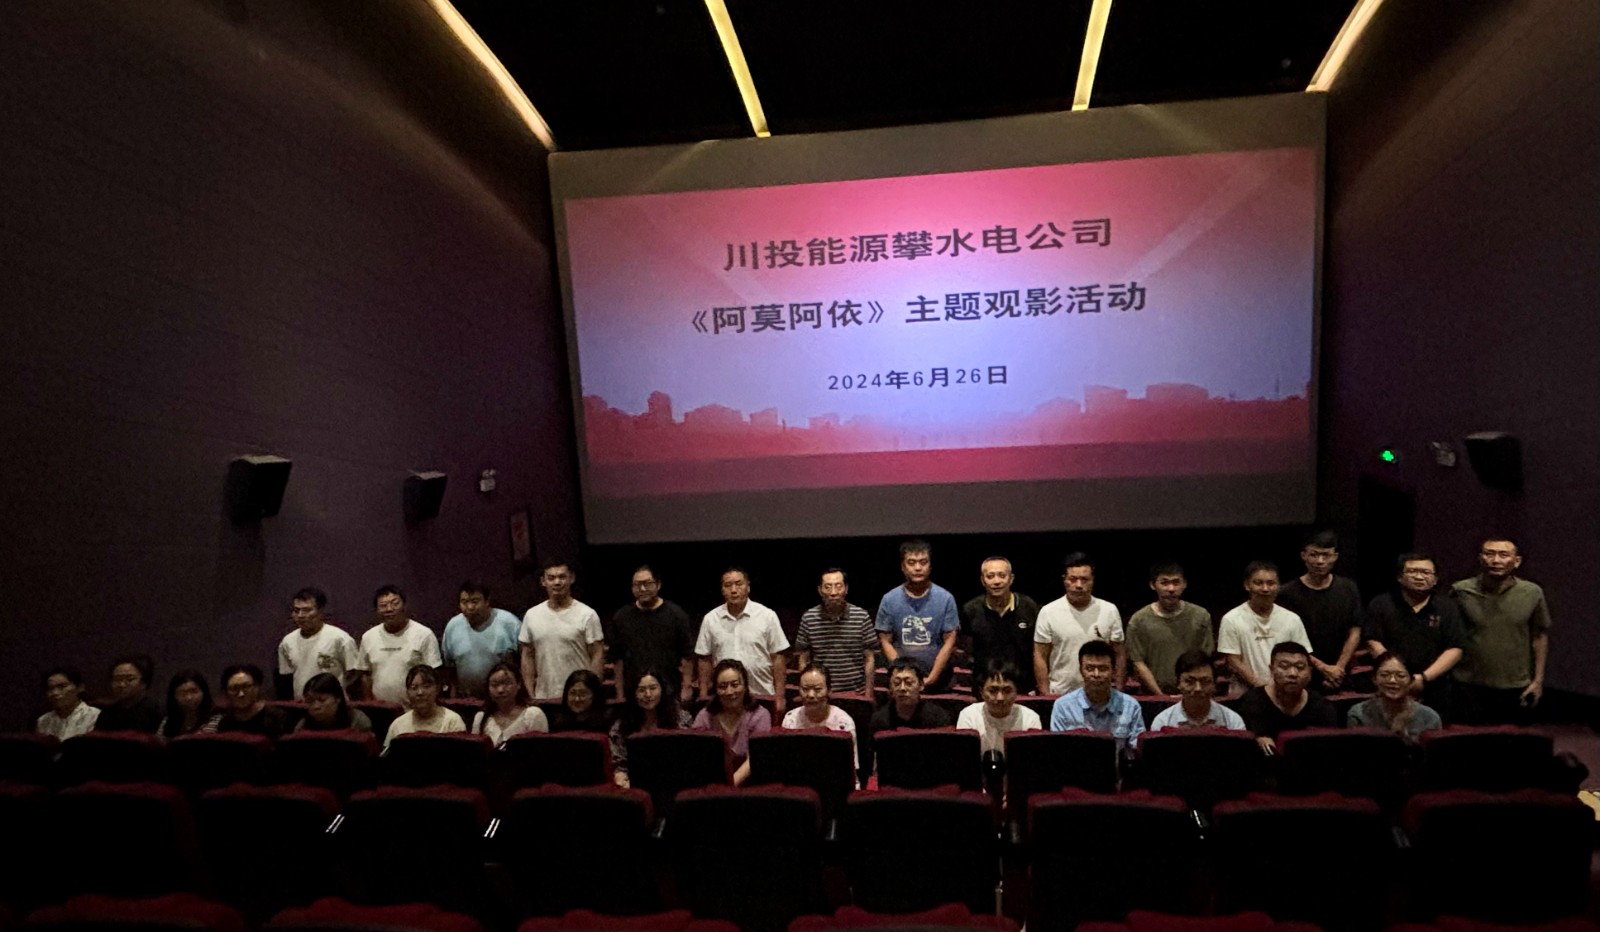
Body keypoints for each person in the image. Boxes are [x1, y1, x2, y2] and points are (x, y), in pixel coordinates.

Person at [1451, 537, 1551, 725]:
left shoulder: (1532, 592)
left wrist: (1538, 681)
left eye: (1503, 555)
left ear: (1516, 561)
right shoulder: (1461, 591)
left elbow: (1539, 636)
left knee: (1510, 739)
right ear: (1480, 558)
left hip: (1516, 684)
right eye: (1490, 554)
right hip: (1469, 683)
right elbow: (1449, 636)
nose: (1496, 560)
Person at [1362, 553, 1464, 719]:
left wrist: (1423, 678)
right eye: (1413, 571)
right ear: (1400, 577)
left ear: (1435, 579)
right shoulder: (1381, 604)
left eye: (1426, 572)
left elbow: (1455, 648)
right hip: (1390, 685)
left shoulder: (1447, 607)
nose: (1419, 577)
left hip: (1434, 687)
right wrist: (1398, 675)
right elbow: (1372, 640)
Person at [1274, 531, 1363, 691]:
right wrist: (1323, 668)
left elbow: (1355, 631)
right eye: (1314, 555)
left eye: (1326, 555)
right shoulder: (1286, 593)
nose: (1320, 561)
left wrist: (1338, 668)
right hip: (1301, 676)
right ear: (1303, 555)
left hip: (1342, 674)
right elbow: (1287, 639)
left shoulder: (1348, 588)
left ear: (1335, 556)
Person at [696, 567, 790, 714]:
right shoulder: (710, 619)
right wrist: (703, 695)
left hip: (761, 693)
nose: (734, 590)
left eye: (739, 584)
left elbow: (778, 657)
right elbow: (704, 659)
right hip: (725, 696)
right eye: (728, 585)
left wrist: (780, 696)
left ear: (748, 587)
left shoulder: (767, 616)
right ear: (722, 590)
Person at [875, 540, 960, 693]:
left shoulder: (946, 598)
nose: (918, 568)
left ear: (930, 566)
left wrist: (931, 678)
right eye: (911, 563)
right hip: (902, 683)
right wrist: (904, 675)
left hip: (940, 681)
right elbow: (885, 641)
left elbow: (950, 640)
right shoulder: (889, 599)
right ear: (903, 566)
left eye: (923, 562)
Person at [1217, 562, 1312, 698]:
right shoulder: (1231, 619)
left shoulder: (1292, 619)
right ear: (1247, 585)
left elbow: (1303, 657)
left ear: (1278, 586)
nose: (1265, 588)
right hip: (1245, 696)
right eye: (1258, 583)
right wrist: (1261, 688)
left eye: (1271, 583)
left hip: (1287, 695)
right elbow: (1233, 660)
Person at [1034, 553, 1124, 695]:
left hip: (1102, 694)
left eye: (1084, 579)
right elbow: (1040, 655)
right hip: (1060, 693)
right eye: (1073, 579)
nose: (1079, 585)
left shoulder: (1109, 610)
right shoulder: (1048, 612)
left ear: (1093, 580)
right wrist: (1046, 695)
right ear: (1064, 580)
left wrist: (1118, 690)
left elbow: (1119, 654)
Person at [520, 562, 605, 702]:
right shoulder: (531, 615)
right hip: (543, 696)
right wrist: (530, 693)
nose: (557, 582)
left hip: (579, 698)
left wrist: (592, 692)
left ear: (571, 578)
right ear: (543, 581)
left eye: (562, 577)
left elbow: (597, 654)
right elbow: (527, 656)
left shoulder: (587, 614)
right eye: (551, 578)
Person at [609, 565, 696, 703]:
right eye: (637, 585)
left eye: (647, 583)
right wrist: (619, 693)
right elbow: (617, 659)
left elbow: (687, 655)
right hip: (634, 692)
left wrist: (686, 687)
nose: (642, 589)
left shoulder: (676, 614)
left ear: (658, 584)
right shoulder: (621, 617)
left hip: (670, 689)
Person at [1126, 562, 1214, 695]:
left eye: (1176, 582)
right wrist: (1160, 696)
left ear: (1184, 584)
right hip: (1154, 696)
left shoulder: (1201, 616)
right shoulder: (1139, 621)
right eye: (1164, 583)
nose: (1171, 588)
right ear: (1153, 585)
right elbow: (1138, 662)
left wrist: (1192, 688)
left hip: (1194, 693)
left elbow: (1205, 658)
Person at [1048, 640, 1145, 759]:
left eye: (1103, 668)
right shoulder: (1063, 707)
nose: (1096, 674)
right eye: (1089, 668)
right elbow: (1058, 753)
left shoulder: (1130, 706)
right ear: (1081, 670)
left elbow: (1137, 753)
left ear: (1113, 671)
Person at [1235, 642, 1337, 755]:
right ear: (1271, 670)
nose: (1293, 673)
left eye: (1300, 667)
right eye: (1284, 666)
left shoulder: (1322, 706)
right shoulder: (1252, 702)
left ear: (1310, 672)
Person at [960, 556, 1042, 695]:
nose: (996, 581)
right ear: (982, 580)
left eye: (1002, 576)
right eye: (990, 576)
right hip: (984, 688)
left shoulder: (1029, 607)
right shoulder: (970, 610)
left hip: (1024, 688)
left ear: (1011, 578)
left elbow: (1038, 650)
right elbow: (967, 650)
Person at [355, 585, 442, 706]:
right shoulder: (368, 637)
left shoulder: (424, 634)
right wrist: (370, 704)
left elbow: (435, 674)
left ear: (404, 606)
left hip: (416, 708)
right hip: (381, 709)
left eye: (395, 603)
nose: (389, 609)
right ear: (377, 610)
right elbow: (366, 675)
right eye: (383, 606)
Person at [794, 568, 876, 695]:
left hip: (856, 692)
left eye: (838, 587)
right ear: (820, 590)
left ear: (846, 589)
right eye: (827, 587)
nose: (833, 592)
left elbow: (869, 658)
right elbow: (803, 659)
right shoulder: (809, 618)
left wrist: (868, 693)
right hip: (821, 694)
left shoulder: (861, 616)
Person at [691, 658, 771, 785]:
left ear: (745, 686)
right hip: (711, 783)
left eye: (735, 685)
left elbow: (755, 759)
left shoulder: (760, 715)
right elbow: (696, 756)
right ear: (715, 690)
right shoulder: (705, 715)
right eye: (722, 687)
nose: (729, 692)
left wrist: (729, 788)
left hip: (750, 783)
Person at [609, 670, 692, 787]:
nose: (648, 694)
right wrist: (620, 776)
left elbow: (687, 756)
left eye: (653, 688)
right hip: (635, 781)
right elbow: (619, 763)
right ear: (633, 693)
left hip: (674, 779)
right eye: (641, 690)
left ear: (662, 689)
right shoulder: (621, 725)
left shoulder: (681, 719)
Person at [440, 580, 521, 700]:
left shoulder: (509, 623)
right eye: (464, 602)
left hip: (504, 699)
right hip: (467, 700)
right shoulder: (453, 626)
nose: (470, 607)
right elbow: (450, 669)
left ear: (487, 601)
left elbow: (526, 661)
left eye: (475, 601)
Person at [780, 663, 859, 782]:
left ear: (829, 690)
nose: (810, 695)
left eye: (817, 689)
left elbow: (850, 769)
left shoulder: (843, 723)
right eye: (805, 689)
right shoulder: (790, 719)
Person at [275, 586, 357, 700]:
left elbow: (354, 675)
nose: (300, 615)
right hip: (301, 704)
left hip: (332, 705)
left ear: (321, 611)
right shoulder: (287, 642)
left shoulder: (340, 639)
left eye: (306, 610)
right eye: (296, 611)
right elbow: (286, 677)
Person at [1347, 652, 1443, 743]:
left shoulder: (1430, 718)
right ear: (1374, 679)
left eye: (1400, 676)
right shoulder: (1358, 714)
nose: (1392, 680)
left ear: (1411, 681)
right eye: (1384, 675)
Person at [956, 661, 1042, 756]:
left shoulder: (1030, 718)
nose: (1000, 698)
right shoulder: (968, 715)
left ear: (1016, 692)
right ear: (981, 692)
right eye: (992, 691)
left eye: (1007, 691)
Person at [1148, 650, 1246, 730]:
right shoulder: (1163, 722)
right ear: (1178, 683)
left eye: (1205, 681)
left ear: (1214, 684)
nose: (1198, 688)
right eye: (1190, 681)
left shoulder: (1233, 722)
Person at [384, 665, 466, 750]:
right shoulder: (397, 725)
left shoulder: (453, 722)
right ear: (407, 692)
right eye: (414, 688)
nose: (420, 692)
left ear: (437, 689)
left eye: (426, 686)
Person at [868, 657, 953, 737]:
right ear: (890, 687)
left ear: (921, 685)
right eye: (897, 683)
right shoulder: (879, 720)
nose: (902, 688)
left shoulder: (938, 718)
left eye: (908, 683)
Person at [471, 660, 549, 745]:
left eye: (507, 683)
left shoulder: (533, 715)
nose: (500, 690)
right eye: (494, 685)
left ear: (518, 684)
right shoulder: (480, 718)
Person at [216, 664, 288, 738]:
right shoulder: (225, 723)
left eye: (246, 687)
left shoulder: (277, 717)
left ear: (257, 688)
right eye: (234, 689)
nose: (241, 694)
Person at [96, 654, 161, 732]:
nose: (122, 684)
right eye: (117, 679)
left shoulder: (156, 712)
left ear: (144, 682)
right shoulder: (107, 713)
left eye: (129, 679)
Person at [37, 666, 99, 740]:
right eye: (50, 689)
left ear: (80, 687)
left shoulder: (95, 716)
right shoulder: (43, 721)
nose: (55, 693)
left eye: (62, 686)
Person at [296, 672, 372, 733]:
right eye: (309, 701)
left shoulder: (357, 721)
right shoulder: (303, 726)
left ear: (338, 699)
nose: (316, 706)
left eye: (322, 700)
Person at [157, 670, 221, 739]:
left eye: (194, 691)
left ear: (204, 692)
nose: (189, 697)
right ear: (174, 696)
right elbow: (158, 744)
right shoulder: (168, 722)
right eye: (182, 693)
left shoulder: (217, 720)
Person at [549, 669, 611, 733]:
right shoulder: (557, 723)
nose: (577, 699)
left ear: (595, 695)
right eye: (573, 693)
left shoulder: (608, 723)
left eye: (582, 694)